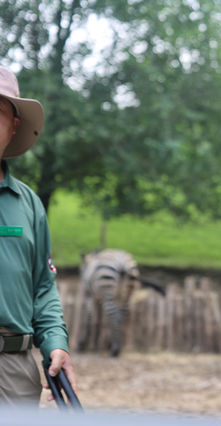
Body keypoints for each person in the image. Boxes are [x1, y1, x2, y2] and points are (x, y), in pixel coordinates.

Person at [0, 65, 77, 406]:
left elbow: (42, 286)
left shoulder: (29, 204)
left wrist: (55, 343)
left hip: (14, 370)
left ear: (13, 126)